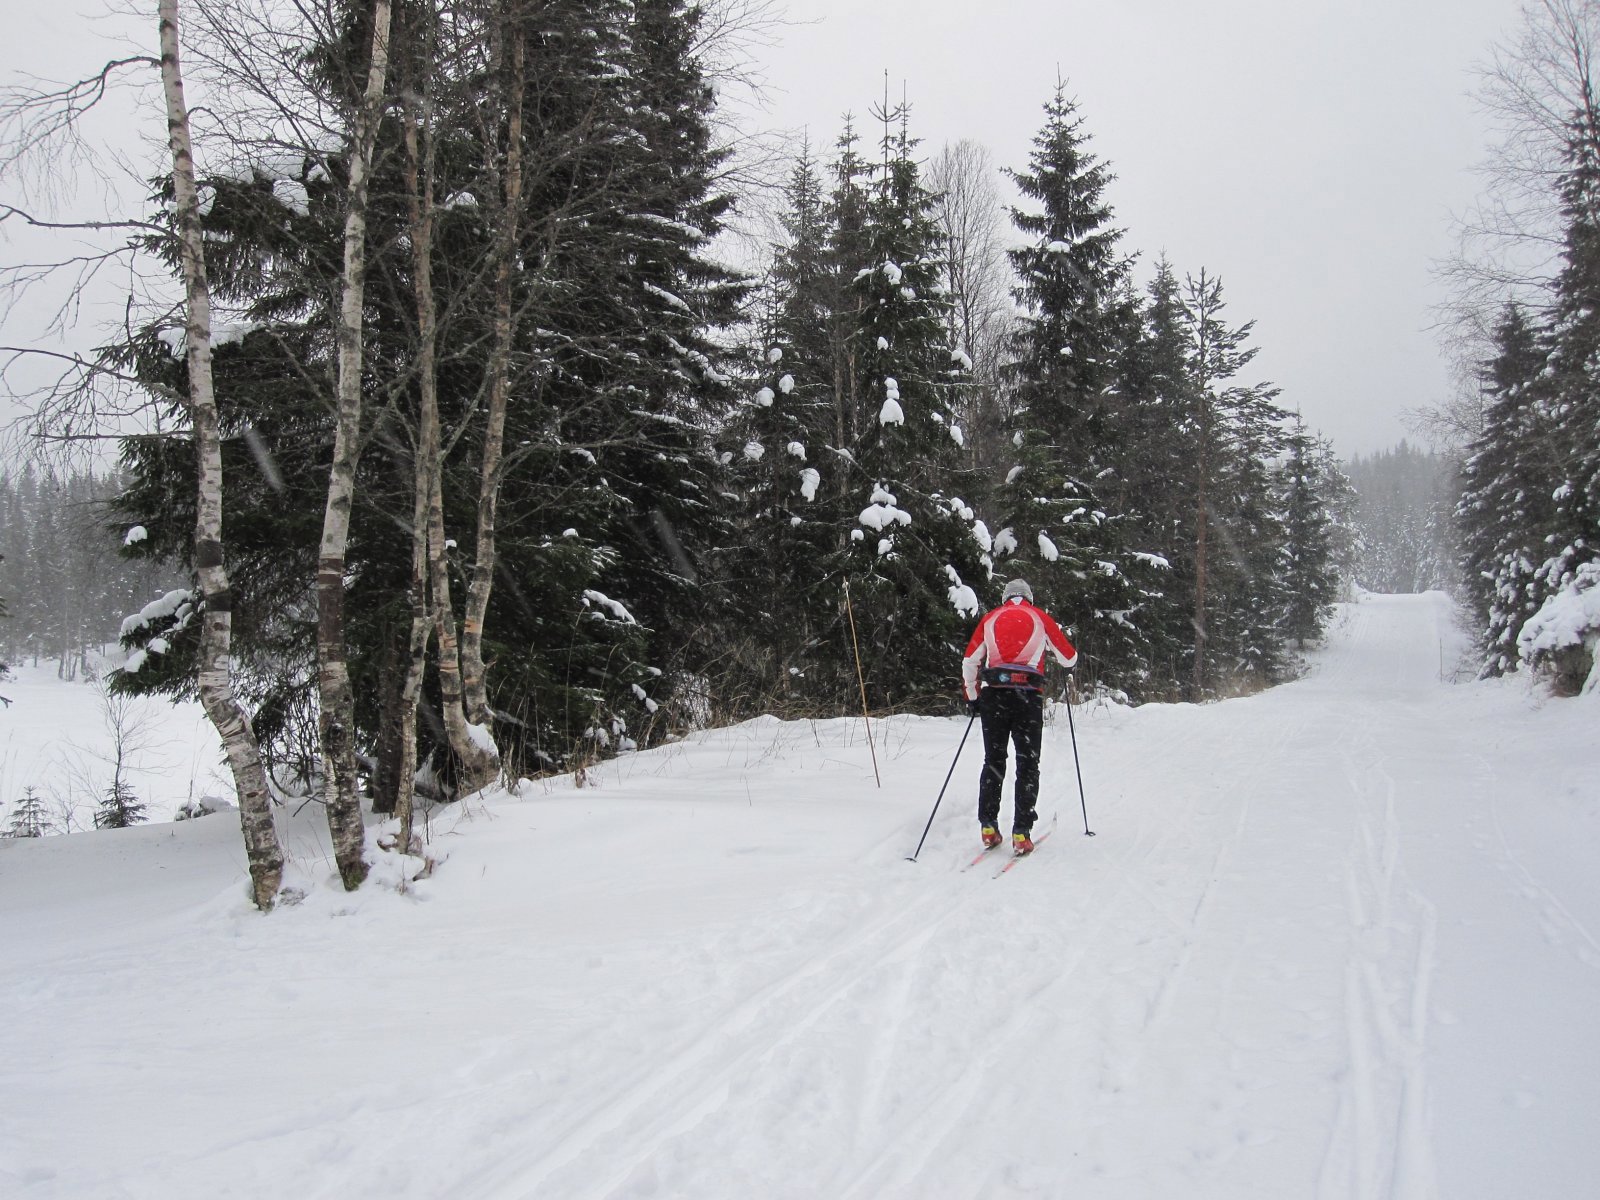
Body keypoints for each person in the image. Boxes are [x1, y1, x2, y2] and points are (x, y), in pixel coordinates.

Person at [960, 578, 1077, 855]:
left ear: (1005, 598)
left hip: (994, 697)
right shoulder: (1039, 617)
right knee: (1028, 764)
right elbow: (1068, 658)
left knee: (994, 760)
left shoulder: (990, 618)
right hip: (1027, 697)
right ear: (1029, 598)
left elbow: (969, 661)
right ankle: (1021, 831)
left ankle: (988, 825)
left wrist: (973, 696)